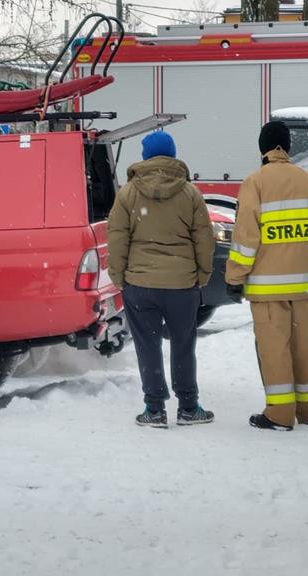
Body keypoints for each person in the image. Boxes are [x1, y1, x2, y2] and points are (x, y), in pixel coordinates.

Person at [224, 121, 308, 431]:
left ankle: (280, 414)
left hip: (267, 290)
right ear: (288, 147)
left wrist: (235, 277)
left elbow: (247, 237)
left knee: (275, 349)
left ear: (263, 148)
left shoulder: (255, 183)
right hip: (303, 286)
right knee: (303, 347)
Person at [107, 131, 216, 428]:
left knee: (147, 346)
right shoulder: (189, 193)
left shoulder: (128, 193)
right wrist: (202, 275)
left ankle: (154, 409)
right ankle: (189, 407)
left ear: (145, 156)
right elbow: (204, 238)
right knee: (183, 344)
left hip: (140, 285)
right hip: (182, 285)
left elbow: (117, 238)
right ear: (172, 154)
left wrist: (119, 276)